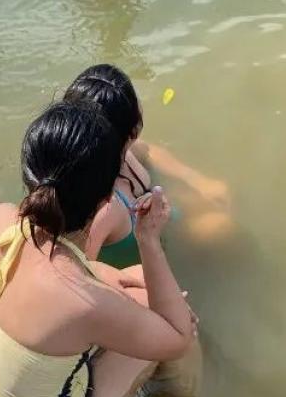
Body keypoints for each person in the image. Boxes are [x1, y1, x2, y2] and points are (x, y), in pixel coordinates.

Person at [0, 100, 196, 397]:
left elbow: (69, 280)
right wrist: (149, 241)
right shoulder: (83, 302)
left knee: (135, 281)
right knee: (180, 322)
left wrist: (128, 282)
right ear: (106, 198)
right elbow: (178, 336)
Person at [63, 64, 232, 268]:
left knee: (218, 201)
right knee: (223, 227)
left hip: (160, 220)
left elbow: (151, 151)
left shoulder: (124, 152)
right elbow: (76, 270)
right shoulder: (102, 208)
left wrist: (196, 179)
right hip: (146, 255)